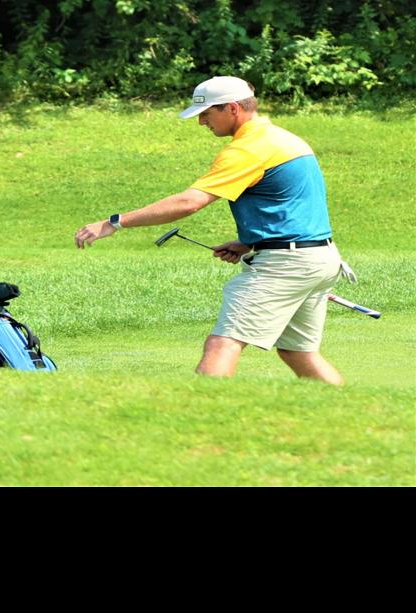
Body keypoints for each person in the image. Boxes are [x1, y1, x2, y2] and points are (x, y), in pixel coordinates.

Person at [73, 76, 346, 385]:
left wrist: (114, 222)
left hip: (287, 265)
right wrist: (250, 243)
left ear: (231, 108)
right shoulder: (283, 139)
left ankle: (200, 418)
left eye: (206, 114)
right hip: (319, 257)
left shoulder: (248, 149)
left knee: (222, 343)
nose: (202, 122)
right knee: (298, 353)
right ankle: (352, 415)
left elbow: (189, 202)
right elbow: (292, 204)